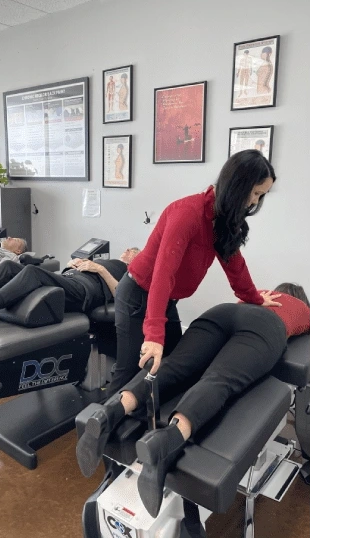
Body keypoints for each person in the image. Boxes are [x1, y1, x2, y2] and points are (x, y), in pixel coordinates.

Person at [76, 282, 311, 517]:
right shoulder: (302, 308)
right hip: (265, 328)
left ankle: (110, 412)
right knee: (219, 380)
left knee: (174, 366)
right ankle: (166, 441)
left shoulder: (259, 294)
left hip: (221, 312)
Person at [108, 149, 281, 397]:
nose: (254, 202)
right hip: (138, 295)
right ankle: (99, 430)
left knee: (173, 366)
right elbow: (162, 275)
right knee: (129, 373)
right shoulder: (188, 213)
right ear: (238, 185)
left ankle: (148, 429)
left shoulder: (221, 219)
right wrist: (154, 335)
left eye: (260, 196)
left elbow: (234, 264)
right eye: (254, 193)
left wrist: (254, 297)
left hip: (165, 298)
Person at [0, 247, 142, 341]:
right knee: (7, 266)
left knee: (33, 272)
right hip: (73, 280)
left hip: (86, 292)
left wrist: (99, 269)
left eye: (134, 251)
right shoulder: (107, 259)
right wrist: (73, 266)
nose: (128, 251)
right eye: (128, 249)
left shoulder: (131, 271)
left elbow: (121, 294)